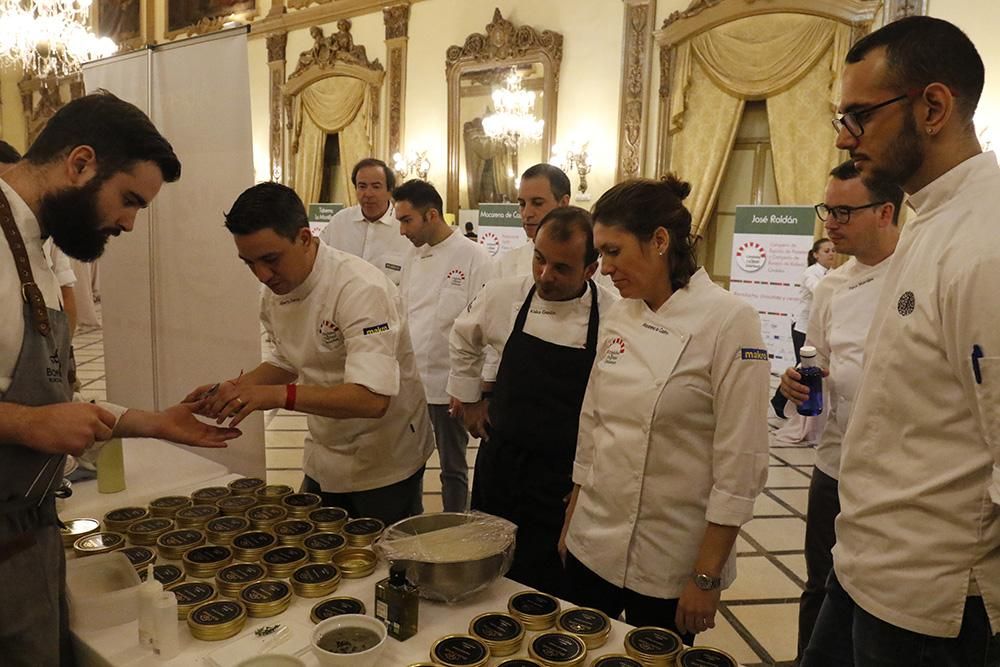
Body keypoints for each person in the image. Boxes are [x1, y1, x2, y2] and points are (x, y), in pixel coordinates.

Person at [0, 91, 241, 666]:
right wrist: (29, 423)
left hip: (30, 532)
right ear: (81, 163)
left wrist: (154, 423)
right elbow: (35, 415)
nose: (128, 223)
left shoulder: (32, 241)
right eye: (128, 200)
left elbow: (53, 396)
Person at [802, 17, 1000, 667]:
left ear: (934, 106)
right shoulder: (929, 220)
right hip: (865, 563)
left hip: (932, 600)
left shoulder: (985, 242)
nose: (843, 136)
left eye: (859, 115)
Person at [559, 176, 769, 642]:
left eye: (613, 252)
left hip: (671, 552)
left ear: (659, 241)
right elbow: (592, 421)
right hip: (593, 537)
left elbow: (741, 459)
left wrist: (706, 576)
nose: (603, 268)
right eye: (600, 254)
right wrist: (573, 517)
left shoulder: (729, 320)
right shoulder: (619, 313)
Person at [186, 182, 434, 526]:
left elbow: (372, 400)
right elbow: (287, 359)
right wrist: (235, 389)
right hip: (325, 450)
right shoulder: (275, 290)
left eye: (270, 259)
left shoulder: (360, 289)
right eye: (249, 263)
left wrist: (272, 396)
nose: (262, 275)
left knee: (384, 565)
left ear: (304, 238)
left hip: (385, 457)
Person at [449, 206, 616, 596]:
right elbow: (463, 338)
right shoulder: (504, 293)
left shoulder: (612, 315)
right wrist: (471, 399)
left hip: (561, 478)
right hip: (502, 463)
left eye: (561, 268)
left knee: (550, 584)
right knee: (490, 573)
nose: (545, 275)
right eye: (539, 260)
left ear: (590, 269)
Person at [778, 160, 902, 662]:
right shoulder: (831, 285)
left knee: (878, 595)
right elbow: (819, 360)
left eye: (844, 211)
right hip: (834, 462)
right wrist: (797, 381)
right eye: (828, 209)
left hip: (897, 468)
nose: (830, 222)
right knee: (819, 581)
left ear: (886, 212)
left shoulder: (921, 271)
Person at [395, 179, 493, 512]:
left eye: (406, 220)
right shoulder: (412, 257)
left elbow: (483, 329)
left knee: (453, 469)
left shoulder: (474, 257)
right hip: (411, 383)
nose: (401, 230)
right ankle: (410, 522)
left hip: (450, 386)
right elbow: (404, 314)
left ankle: (455, 530)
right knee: (407, 464)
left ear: (431, 215)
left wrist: (470, 390)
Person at [318, 158, 412, 285]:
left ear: (390, 191)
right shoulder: (339, 221)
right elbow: (318, 260)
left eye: (376, 186)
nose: (368, 193)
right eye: (362, 186)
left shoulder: (405, 227)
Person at [771, 237, 835, 419]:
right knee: (802, 365)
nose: (831, 253)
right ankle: (780, 402)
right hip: (802, 325)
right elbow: (820, 292)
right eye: (826, 251)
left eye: (833, 250)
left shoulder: (835, 273)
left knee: (808, 366)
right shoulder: (811, 273)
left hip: (820, 328)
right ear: (815, 255)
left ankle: (784, 402)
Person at [496, 163, 571, 278]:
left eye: (537, 203)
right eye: (522, 204)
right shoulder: (506, 264)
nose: (526, 213)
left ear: (563, 204)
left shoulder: (591, 265)